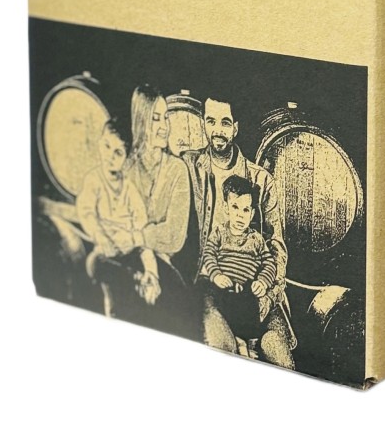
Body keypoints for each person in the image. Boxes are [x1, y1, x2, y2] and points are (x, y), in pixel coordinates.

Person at [182, 96, 295, 368]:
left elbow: (276, 247)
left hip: (256, 285)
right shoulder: (189, 167)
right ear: (203, 123)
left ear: (235, 128)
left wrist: (269, 291)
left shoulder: (261, 180)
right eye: (211, 121)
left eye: (225, 123)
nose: (217, 130)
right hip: (211, 286)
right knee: (223, 347)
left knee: (276, 349)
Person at [94, 84, 195, 338]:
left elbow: (174, 236)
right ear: (140, 122)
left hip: (166, 267)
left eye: (166, 117)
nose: (164, 126)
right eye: (155, 118)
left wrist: (137, 237)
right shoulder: (126, 166)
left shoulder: (178, 170)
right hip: (128, 260)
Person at [76, 118, 160, 312]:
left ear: (127, 158)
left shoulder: (130, 190)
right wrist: (102, 238)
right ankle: (134, 280)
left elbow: (142, 234)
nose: (110, 156)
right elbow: (87, 213)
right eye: (106, 146)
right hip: (106, 252)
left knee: (154, 274)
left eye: (118, 152)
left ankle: (145, 281)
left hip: (130, 252)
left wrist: (151, 271)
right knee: (94, 263)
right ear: (100, 143)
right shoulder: (94, 180)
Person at [199, 175, 277, 350]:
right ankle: (235, 342)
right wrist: (216, 274)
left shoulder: (256, 239)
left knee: (250, 309)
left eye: (245, 210)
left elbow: (269, 263)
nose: (240, 215)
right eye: (235, 207)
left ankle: (248, 345)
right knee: (212, 302)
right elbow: (209, 253)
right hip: (222, 287)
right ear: (226, 208)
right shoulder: (219, 232)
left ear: (252, 213)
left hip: (245, 290)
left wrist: (262, 282)